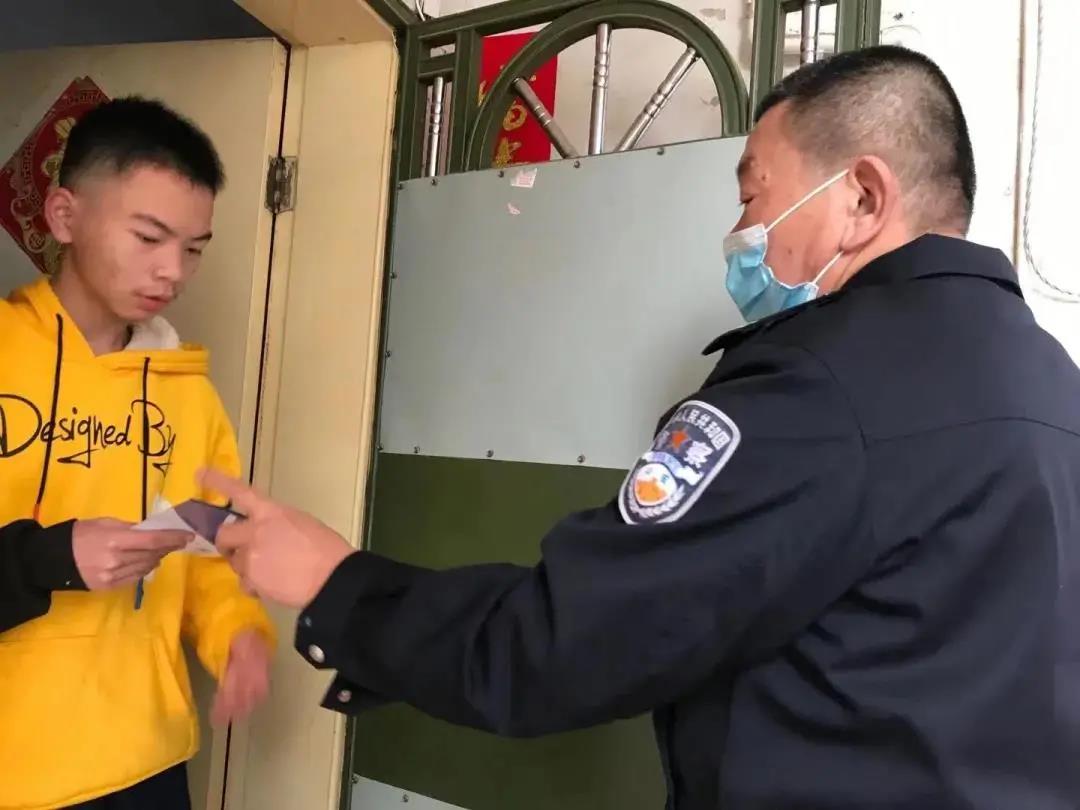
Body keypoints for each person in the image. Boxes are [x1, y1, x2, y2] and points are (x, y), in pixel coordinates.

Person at [204, 45, 1080, 809]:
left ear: (861, 196)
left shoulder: (822, 387)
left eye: (754, 198)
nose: (741, 233)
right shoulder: (1052, 382)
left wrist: (340, 583)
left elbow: (560, 645)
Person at [0, 98, 276, 810]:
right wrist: (53, 557)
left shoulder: (190, 396)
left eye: (194, 248)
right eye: (149, 237)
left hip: (146, 761)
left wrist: (238, 634)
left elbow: (207, 546)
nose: (173, 271)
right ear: (64, 216)